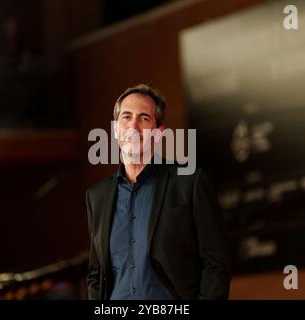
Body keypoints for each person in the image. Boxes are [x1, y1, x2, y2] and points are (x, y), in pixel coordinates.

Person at [86, 84, 231, 300]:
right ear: (116, 129)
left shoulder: (190, 183)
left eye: (144, 118)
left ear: (158, 132)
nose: (133, 127)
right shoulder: (97, 196)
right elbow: (96, 274)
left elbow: (216, 263)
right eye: (126, 117)